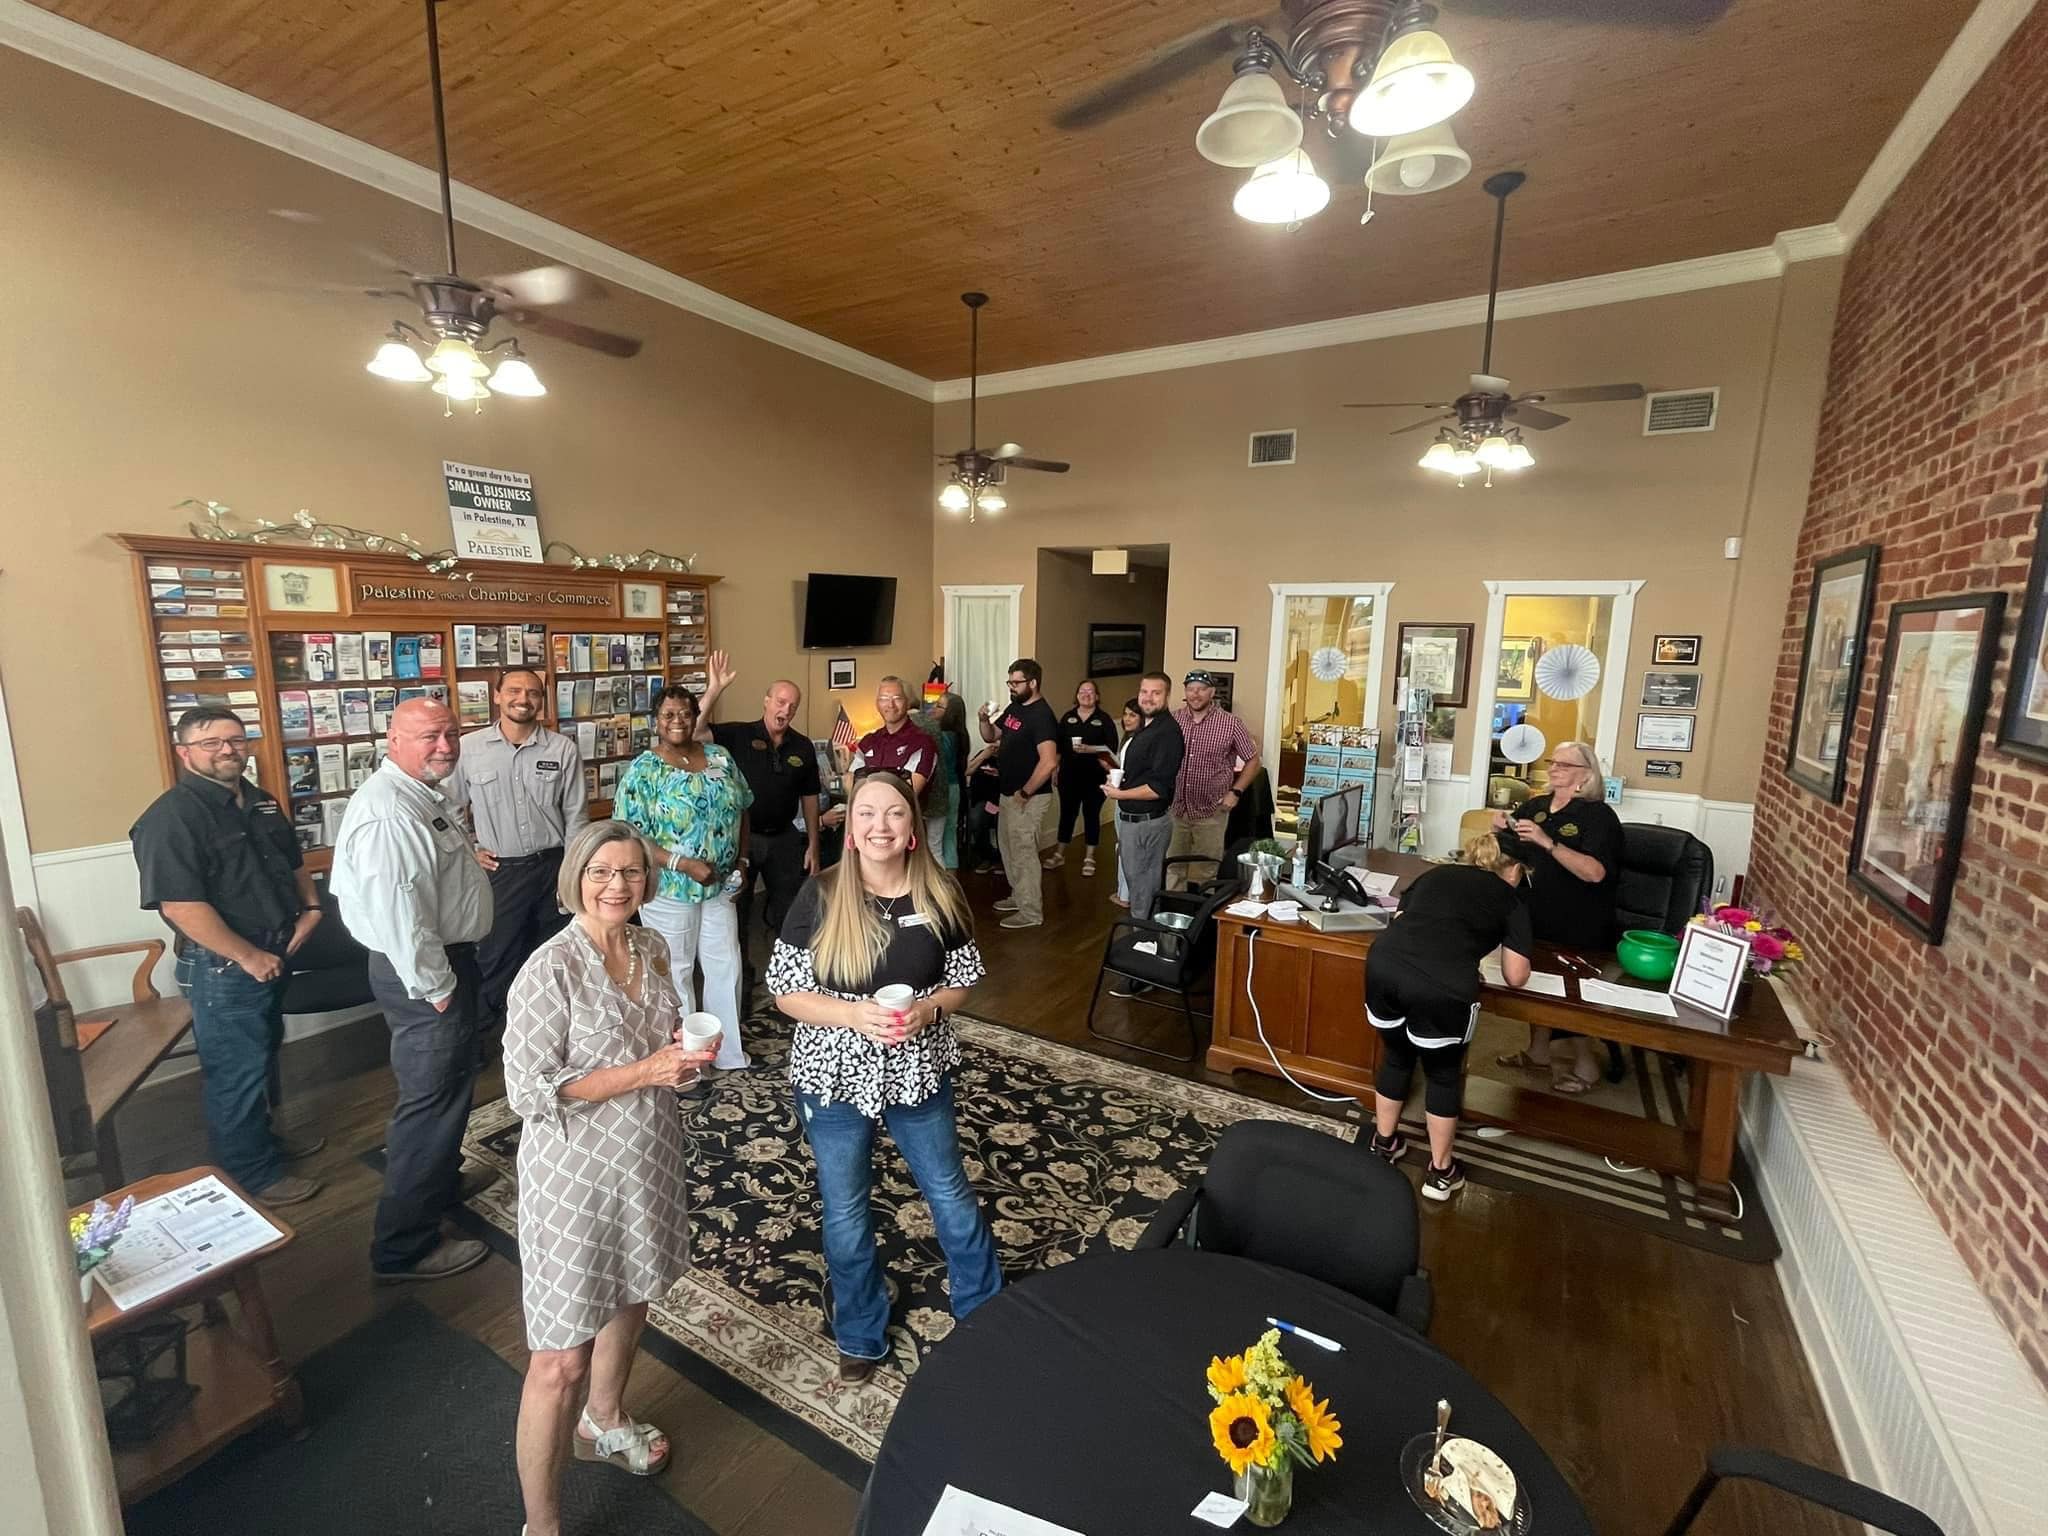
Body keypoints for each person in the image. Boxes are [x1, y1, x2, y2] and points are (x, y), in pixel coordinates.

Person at [504, 821, 717, 1535]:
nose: (616, 885)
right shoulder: (550, 969)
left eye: (630, 872)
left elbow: (663, 1044)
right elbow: (528, 1091)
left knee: (633, 1293)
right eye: (601, 872)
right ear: (576, 878)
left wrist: (681, 1063)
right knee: (559, 1360)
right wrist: (645, 1071)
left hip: (647, 1155)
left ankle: (604, 1419)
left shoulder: (651, 947)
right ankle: (542, 1525)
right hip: (575, 1176)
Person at [767, 772, 1002, 1382]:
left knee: (948, 1191)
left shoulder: (941, 892)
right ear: (849, 828)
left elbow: (964, 979)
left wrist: (929, 1010)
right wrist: (853, 1015)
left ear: (913, 829)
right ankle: (860, 1332)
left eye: (894, 813)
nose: (880, 825)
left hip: (919, 1067)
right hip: (833, 1075)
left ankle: (984, 1311)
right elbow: (785, 990)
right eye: (865, 813)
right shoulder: (821, 894)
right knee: (846, 1208)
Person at [130, 707, 326, 1207]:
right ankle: (250, 1175)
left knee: (260, 1058)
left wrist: (311, 910)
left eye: (236, 740)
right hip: (225, 965)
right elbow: (179, 906)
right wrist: (248, 957)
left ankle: (262, 1145)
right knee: (236, 1072)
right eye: (212, 743)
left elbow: (293, 862)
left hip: (274, 949)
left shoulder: (259, 801)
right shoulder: (171, 817)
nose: (227, 750)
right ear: (184, 753)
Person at [331, 698, 493, 1282]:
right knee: (428, 1106)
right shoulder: (390, 812)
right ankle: (404, 1248)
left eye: (451, 733)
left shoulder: (419, 794)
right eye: (429, 736)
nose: (445, 746)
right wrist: (436, 987)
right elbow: (401, 912)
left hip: (443, 965)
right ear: (393, 740)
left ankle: (439, 1188)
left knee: (449, 1091)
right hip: (425, 976)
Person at [1366, 829, 1535, 1201]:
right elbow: (1516, 976)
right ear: (1515, 870)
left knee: (1396, 1057)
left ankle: (1384, 1143)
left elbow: (1402, 920)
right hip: (1442, 986)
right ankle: (1441, 1173)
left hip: (1384, 967)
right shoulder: (1511, 899)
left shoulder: (1435, 873)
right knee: (1442, 1075)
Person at [444, 667, 586, 1044]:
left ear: (542, 700)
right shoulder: (469, 749)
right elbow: (449, 808)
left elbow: (576, 816)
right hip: (500, 873)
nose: (523, 699)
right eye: (514, 691)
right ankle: (481, 1042)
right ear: (497, 696)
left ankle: (549, 1037)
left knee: (555, 957)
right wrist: (469, 848)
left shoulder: (562, 749)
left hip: (553, 869)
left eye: (533, 693)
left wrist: (572, 875)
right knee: (496, 959)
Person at [614, 686, 753, 1072]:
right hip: (670, 888)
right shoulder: (644, 770)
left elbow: (743, 807)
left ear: (695, 717)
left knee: (726, 965)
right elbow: (630, 833)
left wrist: (743, 860)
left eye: (685, 714)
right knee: (675, 971)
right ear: (656, 721)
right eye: (668, 715)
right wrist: (681, 863)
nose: (677, 721)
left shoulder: (719, 757)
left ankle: (727, 1053)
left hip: (720, 885)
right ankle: (687, 1062)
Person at [1491, 741, 1623, 1095]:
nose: (1553, 768)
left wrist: (1548, 843)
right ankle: (1538, 1053)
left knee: (1570, 998)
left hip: (1578, 921)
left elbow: (1595, 872)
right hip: (1533, 914)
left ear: (1586, 774)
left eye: (1564, 765)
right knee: (1536, 987)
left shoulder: (1598, 817)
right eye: (1553, 762)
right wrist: (1499, 828)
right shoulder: (1536, 806)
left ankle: (1586, 1065)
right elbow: (1512, 849)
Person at [694, 652, 823, 943]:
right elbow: (695, 731)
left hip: (784, 839)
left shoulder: (802, 746)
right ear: (766, 702)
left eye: (792, 706)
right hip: (744, 838)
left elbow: (810, 797)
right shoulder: (739, 734)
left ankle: (788, 968)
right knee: (737, 913)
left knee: (791, 913)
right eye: (780, 702)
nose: (786, 709)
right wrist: (715, 689)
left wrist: (814, 845)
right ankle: (742, 972)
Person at [976, 658, 1060, 929]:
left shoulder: (1042, 716)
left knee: (1024, 852)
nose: (1011, 687)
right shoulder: (1015, 707)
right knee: (1009, 848)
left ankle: (1031, 912)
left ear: (1032, 683)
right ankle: (1019, 896)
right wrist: (983, 719)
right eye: (1009, 682)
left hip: (1029, 797)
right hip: (1008, 793)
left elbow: (1048, 762)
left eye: (1016, 682)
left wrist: (1025, 793)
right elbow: (991, 736)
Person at [1167, 670, 1259, 890]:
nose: (1195, 694)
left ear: (1212, 692)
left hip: (1212, 811)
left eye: (1201, 689)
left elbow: (1253, 761)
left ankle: (1204, 910)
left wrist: (1236, 792)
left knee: (1206, 869)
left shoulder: (1231, 723)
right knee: (1173, 867)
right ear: (1185, 692)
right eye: (1191, 689)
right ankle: (1174, 909)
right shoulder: (1172, 720)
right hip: (1176, 809)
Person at [1104, 672, 1185, 920]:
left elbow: (1158, 788)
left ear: (1167, 696)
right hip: (1132, 821)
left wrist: (1120, 793)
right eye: (1144, 692)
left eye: (1156, 693)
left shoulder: (1167, 733)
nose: (1148, 698)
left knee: (1144, 892)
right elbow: (1140, 774)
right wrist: (1118, 781)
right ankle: (1141, 935)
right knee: (1137, 887)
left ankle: (1145, 938)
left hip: (1148, 824)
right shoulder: (1145, 728)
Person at [1050, 680, 1120, 877]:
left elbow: (1111, 750)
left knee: (1091, 815)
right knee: (1067, 814)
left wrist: (1090, 749)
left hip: (1095, 777)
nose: (1086, 694)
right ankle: (1059, 854)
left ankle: (1090, 857)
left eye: (1091, 692)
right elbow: (1058, 747)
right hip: (1068, 776)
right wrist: (1054, 769)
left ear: (1097, 697)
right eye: (1082, 691)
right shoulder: (1068, 718)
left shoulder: (1104, 720)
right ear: (1077, 695)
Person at [847, 677, 937, 803]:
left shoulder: (922, 743)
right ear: (877, 704)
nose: (890, 705)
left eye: (897, 698)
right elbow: (850, 781)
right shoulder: (868, 742)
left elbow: (909, 791)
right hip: (867, 813)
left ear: (908, 703)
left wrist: (867, 792)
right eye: (884, 698)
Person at [921, 691, 970, 871]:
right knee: (949, 835)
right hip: (954, 788)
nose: (934, 708)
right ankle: (951, 879)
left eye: (939, 706)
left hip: (944, 789)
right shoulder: (959, 735)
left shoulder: (945, 737)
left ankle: (941, 880)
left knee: (936, 841)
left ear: (950, 714)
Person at [1111, 696, 1142, 907]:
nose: (1127, 719)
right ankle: (1126, 893)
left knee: (1127, 847)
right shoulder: (1128, 739)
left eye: (1132, 715)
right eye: (1125, 714)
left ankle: (1125, 895)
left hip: (1127, 799)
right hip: (1123, 796)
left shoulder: (1135, 742)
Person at [962, 743, 1002, 875]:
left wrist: (999, 773)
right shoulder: (983, 754)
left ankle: (1002, 859)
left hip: (1001, 800)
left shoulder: (1009, 757)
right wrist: (984, 755)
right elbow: (967, 771)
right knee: (976, 819)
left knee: (1003, 823)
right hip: (980, 800)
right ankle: (987, 857)